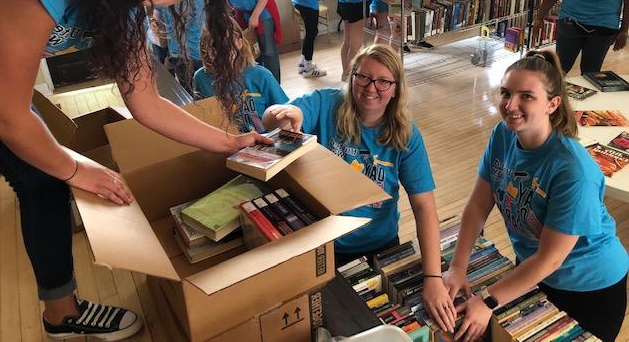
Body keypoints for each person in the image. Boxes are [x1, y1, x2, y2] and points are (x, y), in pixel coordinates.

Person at [0, 0, 270, 341]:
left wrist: (229, 142)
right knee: (45, 173)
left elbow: (146, 102)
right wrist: (78, 168)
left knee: (42, 176)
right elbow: (4, 113)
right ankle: (62, 314)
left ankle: (60, 315)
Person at [263, 44, 457, 334]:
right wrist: (283, 115)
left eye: (383, 81)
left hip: (379, 247)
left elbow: (425, 208)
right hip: (324, 245)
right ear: (351, 76)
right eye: (362, 77)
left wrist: (432, 277)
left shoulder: (406, 135)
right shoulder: (325, 103)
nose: (370, 88)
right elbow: (273, 119)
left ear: (396, 89)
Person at [443, 50, 628, 342]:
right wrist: (456, 267)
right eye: (506, 93)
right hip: (532, 271)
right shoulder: (502, 135)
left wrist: (488, 300)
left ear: (552, 104)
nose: (511, 105)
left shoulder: (572, 169)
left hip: (589, 287)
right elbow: (479, 204)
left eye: (526, 96)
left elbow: (550, 259)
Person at [194, 21, 288, 133]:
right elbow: (200, 119)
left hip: (263, 142)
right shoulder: (201, 78)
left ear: (240, 42)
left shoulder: (261, 75)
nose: (221, 51)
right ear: (206, 49)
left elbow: (285, 115)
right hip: (225, 145)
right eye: (214, 45)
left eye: (227, 43)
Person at [153, 0, 205, 94]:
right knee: (187, 90)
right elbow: (157, 12)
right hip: (177, 51)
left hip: (195, 53)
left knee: (201, 90)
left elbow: (200, 24)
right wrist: (155, 21)